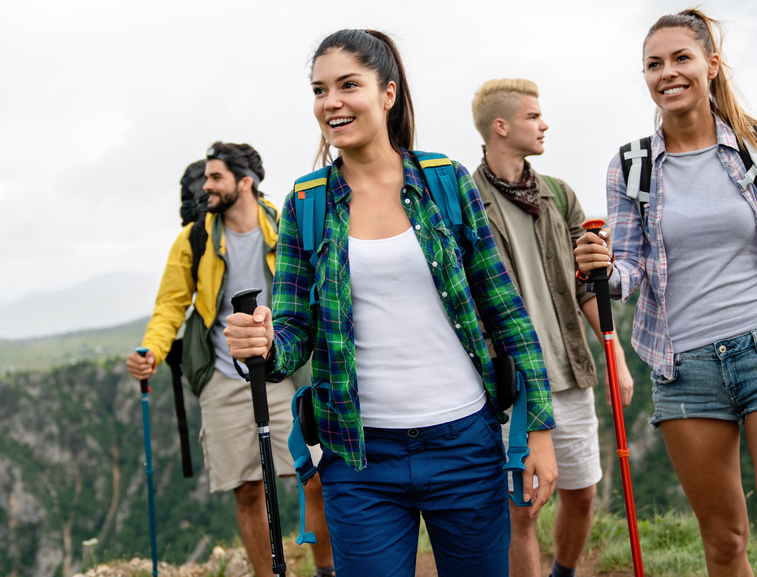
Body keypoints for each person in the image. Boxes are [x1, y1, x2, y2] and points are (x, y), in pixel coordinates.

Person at [225, 29, 559, 577]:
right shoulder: (305, 203)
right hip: (357, 458)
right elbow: (291, 331)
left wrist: (539, 430)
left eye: (347, 85)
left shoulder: (444, 182)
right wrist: (263, 344)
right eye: (319, 90)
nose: (331, 102)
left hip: (464, 443)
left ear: (388, 93)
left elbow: (505, 309)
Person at [574, 9, 757, 577]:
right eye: (653, 64)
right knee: (725, 543)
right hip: (684, 368)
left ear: (711, 64)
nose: (667, 73)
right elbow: (630, 271)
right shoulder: (631, 166)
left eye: (681, 58)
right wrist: (601, 273)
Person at [127, 142, 334, 577]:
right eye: (205, 178)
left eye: (216, 177)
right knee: (246, 489)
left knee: (314, 477)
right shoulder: (195, 238)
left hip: (285, 372)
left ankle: (328, 569)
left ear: (246, 182)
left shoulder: (285, 225)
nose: (206, 186)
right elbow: (171, 306)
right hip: (224, 376)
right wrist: (152, 350)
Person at [470, 78, 634, 577]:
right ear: (501, 126)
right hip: (509, 382)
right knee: (522, 507)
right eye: (533, 117)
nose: (544, 125)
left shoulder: (559, 195)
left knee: (581, 494)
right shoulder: (465, 201)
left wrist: (617, 360)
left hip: (568, 371)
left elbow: (588, 286)